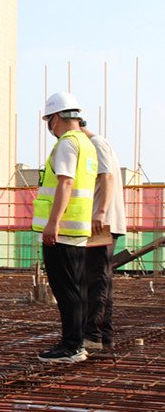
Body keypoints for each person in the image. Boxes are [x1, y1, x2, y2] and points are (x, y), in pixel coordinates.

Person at [33, 92, 98, 363]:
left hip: (63, 231)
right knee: (77, 289)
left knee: (66, 290)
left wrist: (53, 223)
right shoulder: (86, 143)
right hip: (77, 228)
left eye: (48, 119)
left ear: (56, 117)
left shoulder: (67, 143)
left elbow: (66, 183)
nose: (49, 125)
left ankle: (72, 346)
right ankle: (76, 341)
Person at [81, 126, 127, 351]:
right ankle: (103, 336)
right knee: (100, 278)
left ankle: (94, 335)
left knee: (97, 278)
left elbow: (106, 177)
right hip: (101, 222)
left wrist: (100, 212)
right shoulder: (99, 144)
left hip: (101, 223)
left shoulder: (96, 144)